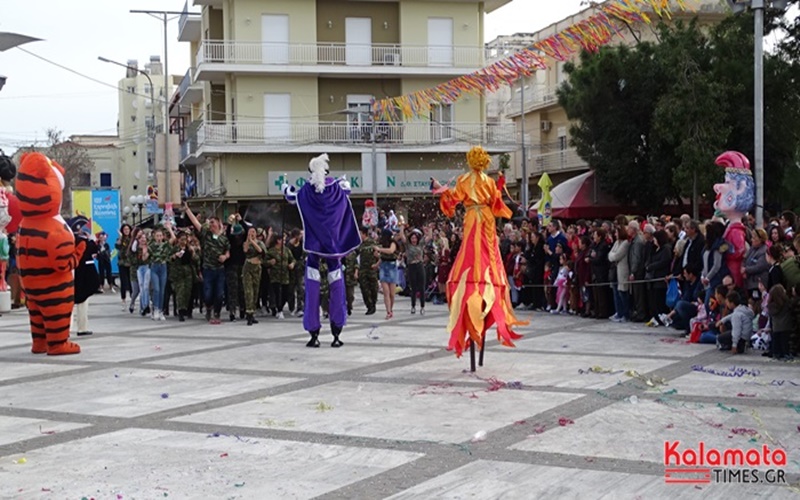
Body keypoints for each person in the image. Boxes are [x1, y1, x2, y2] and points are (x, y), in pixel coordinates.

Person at [431, 146, 527, 359]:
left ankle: (476, 273)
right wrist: (499, 187)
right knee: (488, 251)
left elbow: (452, 199)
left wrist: (439, 188)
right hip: (487, 220)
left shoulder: (465, 179)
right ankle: (484, 273)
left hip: (473, 219)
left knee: (474, 249)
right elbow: (496, 204)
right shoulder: (490, 182)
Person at [282, 153, 361, 348]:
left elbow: (291, 196)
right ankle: (336, 333)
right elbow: (348, 189)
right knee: (337, 287)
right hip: (334, 247)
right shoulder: (337, 188)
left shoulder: (306, 192)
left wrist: (285, 187)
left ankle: (314, 334)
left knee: (311, 288)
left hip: (314, 247)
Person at [16, 152, 86, 355]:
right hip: (53, 284)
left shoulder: (24, 225)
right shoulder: (53, 229)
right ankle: (57, 343)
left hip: (30, 284)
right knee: (56, 310)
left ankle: (39, 342)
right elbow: (62, 264)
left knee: (36, 312)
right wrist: (79, 252)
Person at [183, 205, 230, 325]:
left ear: (219, 224)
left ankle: (217, 313)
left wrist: (224, 257)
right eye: (210, 223)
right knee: (208, 293)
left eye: (213, 222)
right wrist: (187, 209)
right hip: (208, 269)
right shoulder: (206, 234)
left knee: (219, 293)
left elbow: (228, 252)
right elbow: (195, 222)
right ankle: (208, 307)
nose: (211, 224)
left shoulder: (224, 239)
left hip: (219, 269)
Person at [70, 217, 100, 337]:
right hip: (82, 277)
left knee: (72, 304)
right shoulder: (84, 242)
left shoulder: (73, 241)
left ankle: (70, 328)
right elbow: (94, 250)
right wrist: (92, 241)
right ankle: (82, 328)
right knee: (82, 304)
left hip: (74, 276)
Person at [169, 229, 197, 322]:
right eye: (181, 239)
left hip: (188, 272)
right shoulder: (175, 248)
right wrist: (174, 256)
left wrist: (193, 253)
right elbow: (169, 258)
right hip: (178, 272)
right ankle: (181, 310)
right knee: (180, 292)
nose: (183, 241)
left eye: (185, 239)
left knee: (187, 291)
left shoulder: (189, 248)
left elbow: (195, 260)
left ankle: (186, 309)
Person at [265, 234, 295, 319]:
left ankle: (280, 306)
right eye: (283, 240)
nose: (284, 242)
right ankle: (279, 310)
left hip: (285, 275)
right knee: (277, 293)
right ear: (278, 241)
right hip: (275, 275)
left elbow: (292, 259)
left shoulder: (286, 250)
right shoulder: (271, 251)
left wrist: (292, 264)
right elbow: (264, 261)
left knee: (285, 294)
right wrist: (270, 262)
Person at [242, 226, 266, 325]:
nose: (251, 233)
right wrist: (249, 240)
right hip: (248, 267)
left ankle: (253, 312)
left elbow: (261, 251)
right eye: (250, 232)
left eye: (253, 231)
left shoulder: (260, 243)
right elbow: (245, 250)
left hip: (257, 268)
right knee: (249, 291)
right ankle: (248, 314)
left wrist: (253, 241)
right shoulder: (246, 242)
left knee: (256, 291)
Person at [148, 225, 172, 321]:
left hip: (163, 267)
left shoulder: (166, 245)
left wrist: (169, 228)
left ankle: (161, 310)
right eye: (157, 236)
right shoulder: (151, 245)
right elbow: (146, 256)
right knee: (156, 289)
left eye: (160, 236)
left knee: (162, 290)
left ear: (163, 236)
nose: (158, 238)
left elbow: (173, 238)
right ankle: (155, 309)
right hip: (154, 267)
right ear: (154, 237)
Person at [608, 222, 631, 322]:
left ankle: (625, 314)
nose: (615, 234)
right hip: (615, 271)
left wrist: (613, 256)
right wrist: (613, 256)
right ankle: (618, 312)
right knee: (615, 293)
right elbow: (610, 255)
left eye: (616, 232)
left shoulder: (625, 243)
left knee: (623, 293)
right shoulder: (617, 242)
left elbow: (617, 255)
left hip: (622, 270)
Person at [375, 229, 399, 319]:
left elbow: (391, 251)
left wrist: (379, 249)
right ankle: (388, 311)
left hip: (392, 267)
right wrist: (377, 262)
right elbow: (381, 257)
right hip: (383, 267)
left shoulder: (393, 243)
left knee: (392, 294)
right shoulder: (381, 245)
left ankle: (391, 309)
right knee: (386, 292)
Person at [765, 284, 794, 360]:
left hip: (776, 326)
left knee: (776, 340)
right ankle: (785, 353)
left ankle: (776, 353)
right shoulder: (786, 303)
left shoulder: (771, 306)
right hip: (786, 325)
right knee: (785, 341)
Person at [742, 228, 769, 300]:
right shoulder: (752, 249)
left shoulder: (764, 251)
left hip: (757, 283)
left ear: (760, 239)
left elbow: (760, 267)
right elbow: (745, 259)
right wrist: (743, 267)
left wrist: (746, 269)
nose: (751, 240)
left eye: (754, 238)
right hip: (749, 282)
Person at [358, 226, 379, 316]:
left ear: (364, 233)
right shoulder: (359, 245)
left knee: (374, 288)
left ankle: (373, 303)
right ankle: (369, 306)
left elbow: (379, 254)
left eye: (360, 233)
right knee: (364, 289)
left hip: (372, 269)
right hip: (363, 269)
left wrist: (377, 264)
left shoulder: (372, 243)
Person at [116, 224, 133, 308]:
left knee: (131, 281)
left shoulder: (132, 239)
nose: (126, 231)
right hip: (122, 263)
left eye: (128, 229)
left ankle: (132, 299)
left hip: (130, 263)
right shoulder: (120, 239)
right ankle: (123, 299)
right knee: (123, 281)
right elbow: (117, 246)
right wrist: (120, 237)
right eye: (125, 229)